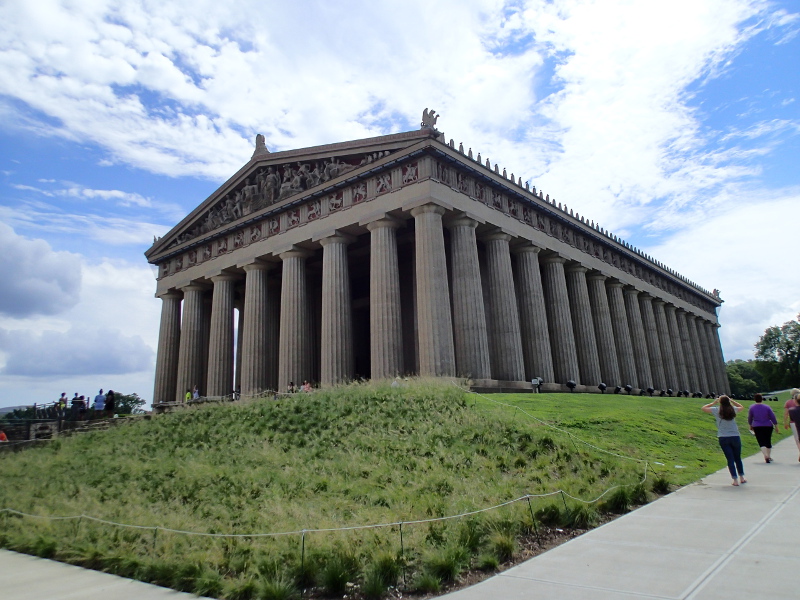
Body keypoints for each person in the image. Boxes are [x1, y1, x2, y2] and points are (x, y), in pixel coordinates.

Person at [702, 395, 746, 486]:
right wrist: (732, 401)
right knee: (737, 458)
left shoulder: (716, 410)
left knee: (730, 459)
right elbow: (742, 407)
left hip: (723, 437)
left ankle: (735, 480)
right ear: (728, 401)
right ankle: (742, 477)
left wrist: (714, 402)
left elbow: (704, 408)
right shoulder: (733, 409)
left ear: (720, 402)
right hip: (735, 436)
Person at [748, 393, 779, 463]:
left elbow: (750, 417)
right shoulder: (767, 407)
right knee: (768, 440)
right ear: (762, 399)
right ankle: (769, 456)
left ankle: (765, 455)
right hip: (768, 425)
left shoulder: (752, 408)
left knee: (761, 441)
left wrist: (750, 425)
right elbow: (772, 416)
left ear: (754, 399)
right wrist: (776, 425)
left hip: (757, 426)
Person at [784, 388, 800, 457]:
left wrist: (785, 422)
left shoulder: (788, 402)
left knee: (797, 438)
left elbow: (786, 413)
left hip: (793, 421)